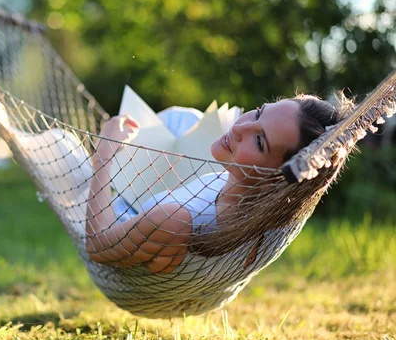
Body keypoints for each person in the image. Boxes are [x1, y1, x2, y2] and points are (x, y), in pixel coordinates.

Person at [85, 93, 354, 274]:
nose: (238, 128)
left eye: (259, 141)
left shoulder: (175, 221)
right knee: (184, 118)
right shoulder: (258, 213)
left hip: (106, 214)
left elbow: (98, 245)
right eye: (259, 113)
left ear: (276, 179)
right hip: (142, 205)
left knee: (59, 144)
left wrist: (105, 152)